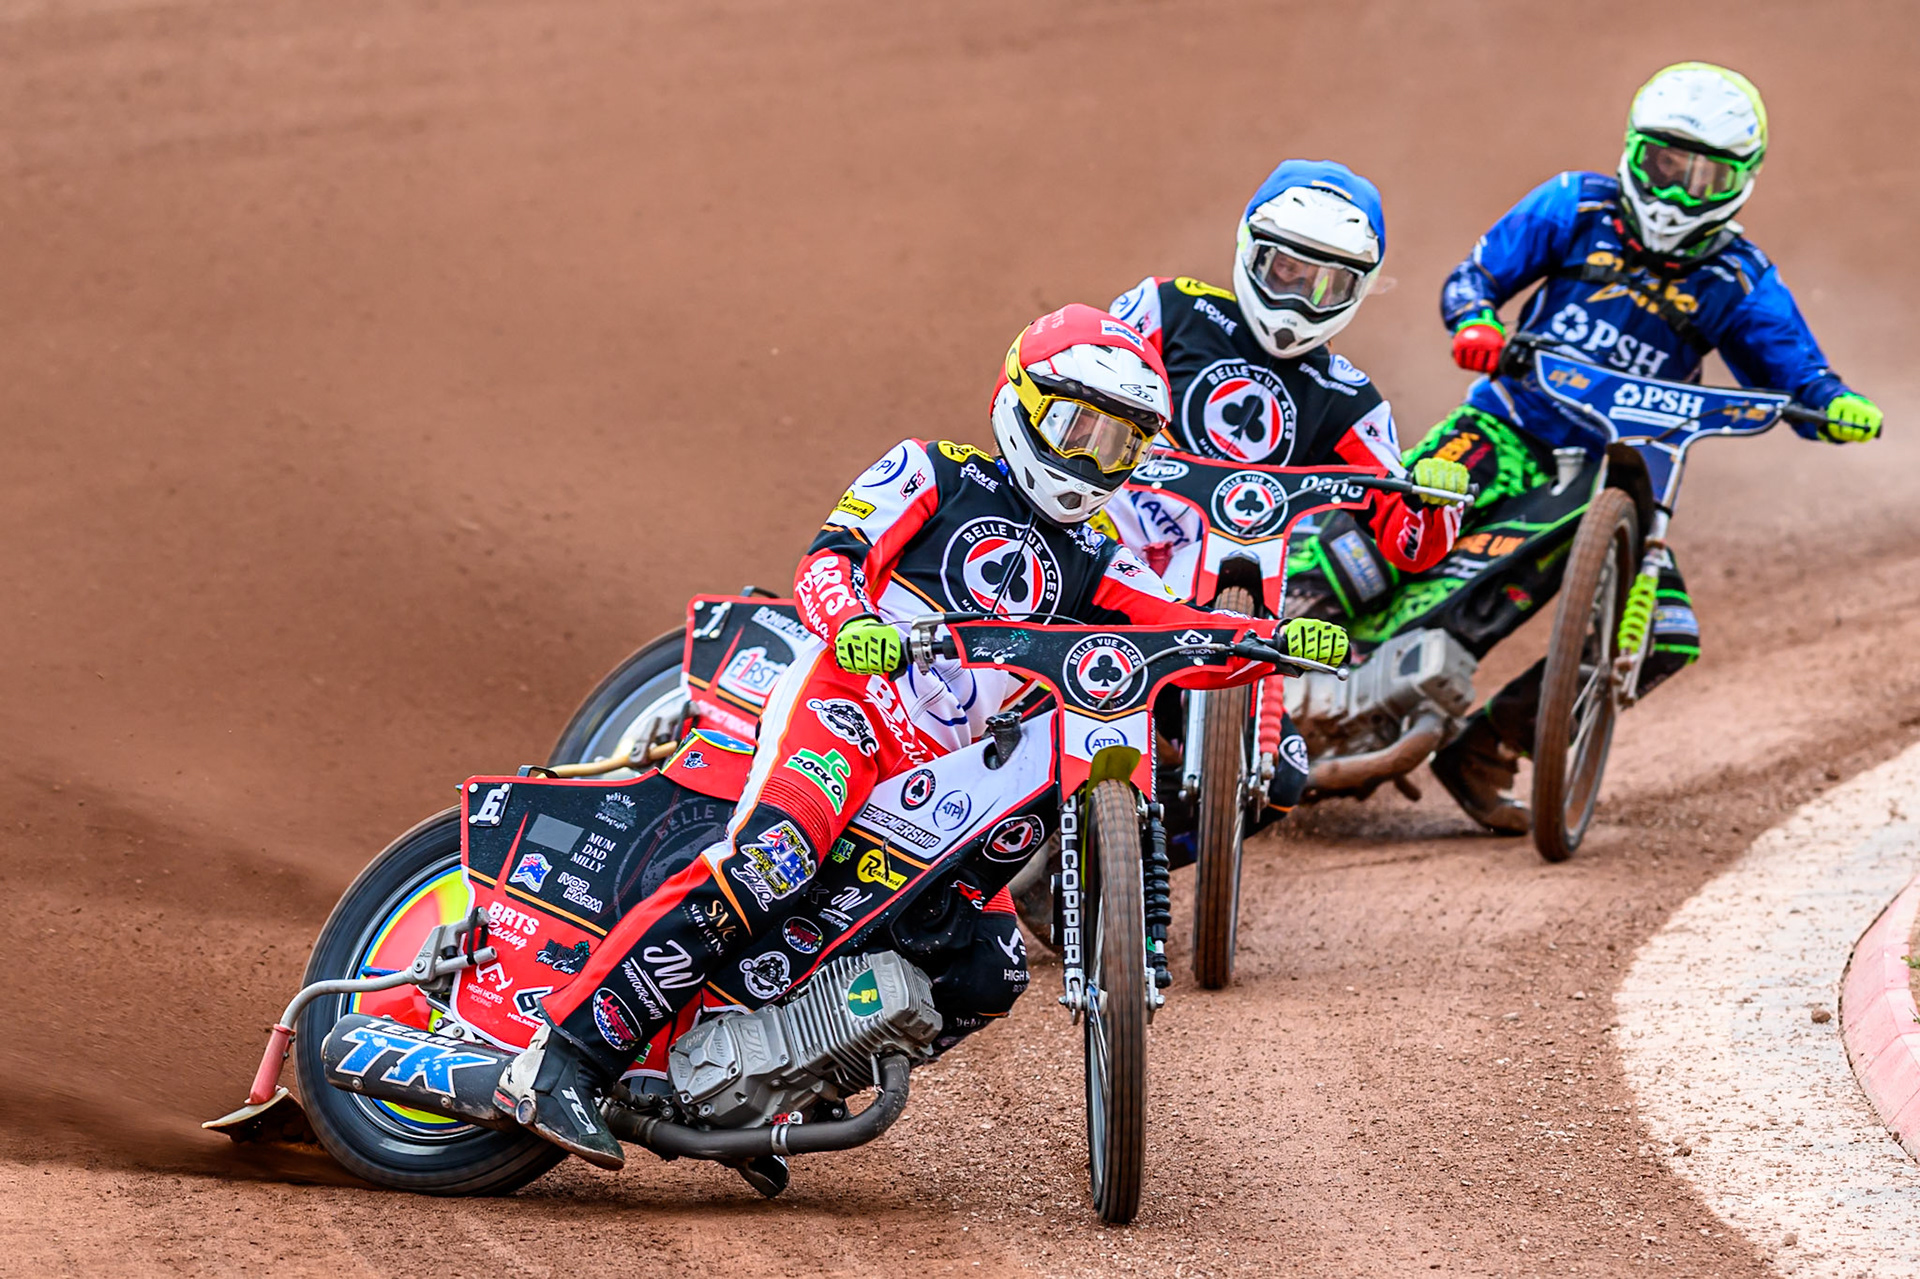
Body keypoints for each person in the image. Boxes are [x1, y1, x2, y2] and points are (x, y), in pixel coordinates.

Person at [495, 304, 1352, 1168]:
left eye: (1119, 445)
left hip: (946, 774)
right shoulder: (932, 471)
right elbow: (829, 557)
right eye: (1076, 427)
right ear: (1019, 399)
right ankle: (562, 1057)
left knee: (991, 968)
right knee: (773, 860)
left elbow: (1169, 628)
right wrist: (855, 623)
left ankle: (762, 1087)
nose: (1090, 459)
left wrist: (1268, 644)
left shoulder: (1098, 552)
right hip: (851, 713)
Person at [1391, 62, 1882, 833]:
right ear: (1633, 149)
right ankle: (1285, 663)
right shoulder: (1575, 204)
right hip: (1508, 423)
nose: (1681, 190)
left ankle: (1485, 747)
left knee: (1662, 633)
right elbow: (1474, 278)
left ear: (1740, 181)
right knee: (1401, 510)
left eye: (1706, 173)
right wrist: (1477, 323)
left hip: (1621, 477)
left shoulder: (1738, 279)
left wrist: (1837, 406)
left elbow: (1803, 377)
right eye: (1666, 163)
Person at [1100, 159, 1470, 825]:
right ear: (1250, 250)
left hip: (1229, 588)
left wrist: (1435, 498)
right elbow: (1085, 384)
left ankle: (1127, 862)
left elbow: (1411, 544)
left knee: (1282, 784)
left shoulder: (1350, 399)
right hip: (1111, 542)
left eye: (1328, 284)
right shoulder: (1169, 309)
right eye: (1286, 271)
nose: (1299, 298)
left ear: (1359, 290)